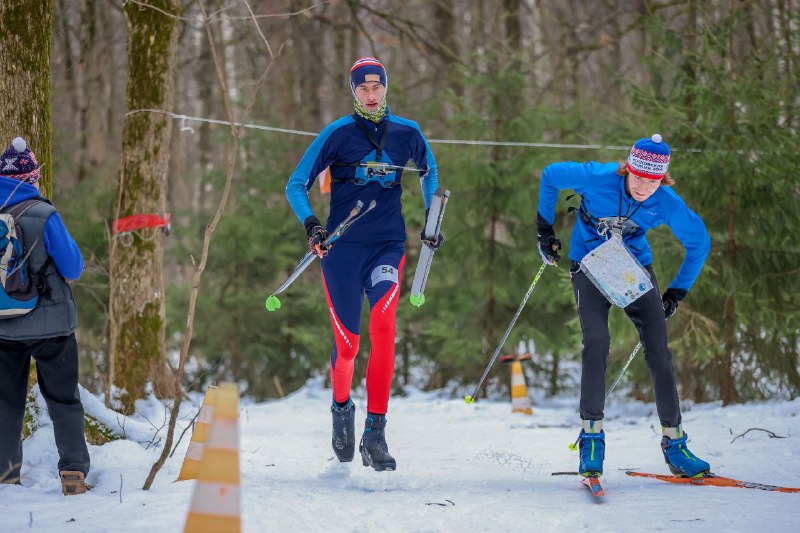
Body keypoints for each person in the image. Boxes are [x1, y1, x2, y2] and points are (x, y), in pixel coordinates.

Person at [285, 57, 441, 472]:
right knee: (349, 347)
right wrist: (312, 226)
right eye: (362, 89)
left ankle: (375, 432)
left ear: (385, 88)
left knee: (385, 328)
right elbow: (295, 184)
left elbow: (430, 171)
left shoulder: (408, 133)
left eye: (377, 87)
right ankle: (341, 410)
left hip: (388, 246)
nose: (371, 95)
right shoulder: (337, 134)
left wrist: (432, 217)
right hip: (341, 251)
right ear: (353, 91)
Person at [535, 134, 712, 478]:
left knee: (659, 351)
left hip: (632, 269)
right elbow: (550, 175)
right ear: (627, 169)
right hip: (588, 263)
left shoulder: (667, 201)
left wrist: (677, 292)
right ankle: (591, 439)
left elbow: (699, 243)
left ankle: (675, 444)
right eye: (639, 177)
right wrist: (545, 229)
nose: (645, 187)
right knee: (597, 343)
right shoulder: (597, 176)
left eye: (654, 180)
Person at [0, 137, 89, 494]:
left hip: (3, 326)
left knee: (5, 403)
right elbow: (74, 267)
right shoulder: (43, 213)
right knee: (64, 399)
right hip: (52, 325)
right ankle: (72, 474)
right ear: (33, 177)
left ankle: (6, 475)